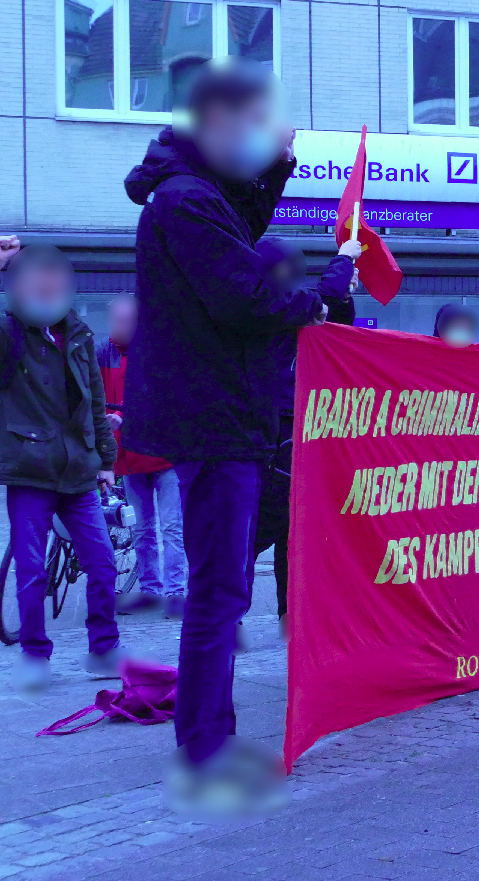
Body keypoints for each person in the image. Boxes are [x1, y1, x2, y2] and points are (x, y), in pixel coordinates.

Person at [123, 59, 348, 809]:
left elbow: (241, 229)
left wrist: (281, 165)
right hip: (214, 420)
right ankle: (203, 749)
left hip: (221, 417)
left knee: (222, 591)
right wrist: (321, 300)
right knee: (218, 595)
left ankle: (210, 734)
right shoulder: (185, 203)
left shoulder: (196, 196)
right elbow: (247, 296)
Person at [0, 246, 126, 690]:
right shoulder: (10, 331)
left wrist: (107, 461)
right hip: (30, 470)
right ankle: (35, 655)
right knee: (32, 571)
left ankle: (103, 648)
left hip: (78, 472)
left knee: (103, 563)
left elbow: (94, 402)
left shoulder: (78, 335)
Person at [247, 238, 358, 635]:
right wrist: (344, 260)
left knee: (293, 535)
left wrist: (344, 296)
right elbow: (320, 299)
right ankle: (222, 616)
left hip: (294, 428)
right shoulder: (267, 304)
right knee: (263, 528)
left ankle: (288, 618)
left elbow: (332, 323)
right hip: (277, 432)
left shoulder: (280, 306)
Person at [98, 295, 188, 618]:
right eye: (116, 320)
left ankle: (176, 592)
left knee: (172, 528)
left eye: (126, 321)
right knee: (142, 529)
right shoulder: (103, 355)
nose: (119, 326)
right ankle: (152, 589)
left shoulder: (157, 353)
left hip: (164, 457)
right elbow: (96, 399)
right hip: (128, 459)